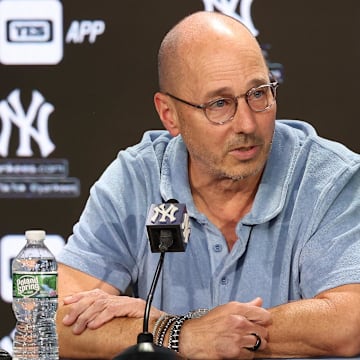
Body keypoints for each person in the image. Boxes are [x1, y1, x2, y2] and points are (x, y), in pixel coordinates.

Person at [56, 10, 360, 360]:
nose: (247, 123)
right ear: (169, 114)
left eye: (259, 93)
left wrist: (193, 330)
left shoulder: (330, 179)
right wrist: (182, 335)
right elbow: (54, 320)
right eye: (219, 104)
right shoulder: (136, 178)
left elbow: (349, 322)